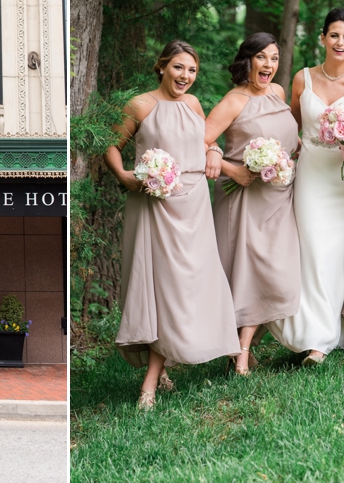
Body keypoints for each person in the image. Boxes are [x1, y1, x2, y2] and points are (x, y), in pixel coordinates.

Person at [105, 40, 240, 410]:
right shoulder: (140, 105)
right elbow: (111, 145)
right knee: (161, 287)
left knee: (189, 285)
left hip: (194, 204)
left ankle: (168, 363)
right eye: (179, 68)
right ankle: (151, 380)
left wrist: (213, 151)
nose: (185, 76)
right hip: (154, 206)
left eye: (192, 70)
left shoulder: (195, 105)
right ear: (162, 66)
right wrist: (124, 175)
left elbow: (205, 143)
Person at [266, 8, 344, 365]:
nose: (340, 42)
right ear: (322, 38)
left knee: (340, 255)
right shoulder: (303, 80)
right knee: (313, 250)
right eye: (334, 35)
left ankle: (334, 334)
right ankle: (316, 335)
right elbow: (294, 127)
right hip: (314, 173)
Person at [205, 33, 301, 375]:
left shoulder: (277, 93)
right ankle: (241, 355)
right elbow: (198, 140)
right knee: (246, 276)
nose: (269, 65)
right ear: (248, 61)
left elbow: (289, 138)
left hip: (278, 198)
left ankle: (242, 347)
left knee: (278, 275)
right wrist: (232, 168)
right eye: (262, 58)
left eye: (274, 59)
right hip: (243, 199)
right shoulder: (234, 100)